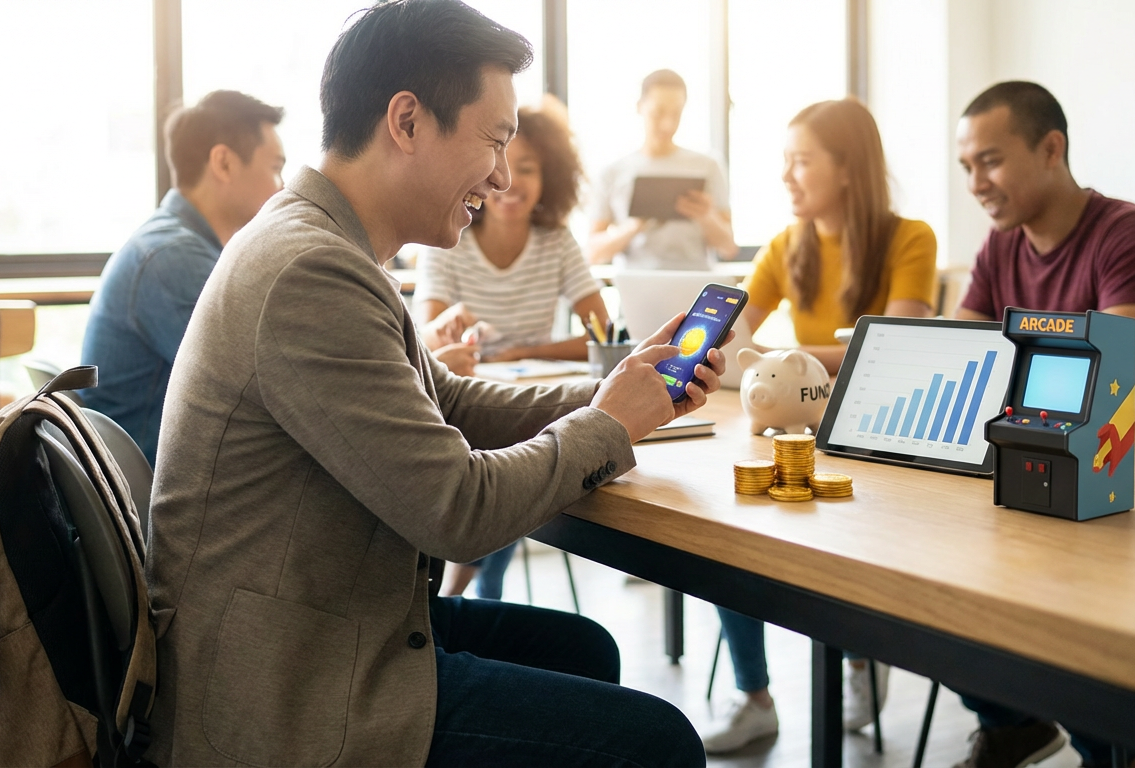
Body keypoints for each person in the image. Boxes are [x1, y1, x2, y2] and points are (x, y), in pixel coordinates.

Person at [143, 2, 726, 765]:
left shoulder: (324, 244)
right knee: (657, 742)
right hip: (282, 690)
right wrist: (610, 427)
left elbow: (446, 405)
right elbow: (457, 511)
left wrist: (611, 390)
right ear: (407, 121)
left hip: (326, 623)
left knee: (579, 649)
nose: (504, 175)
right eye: (494, 140)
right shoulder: (307, 271)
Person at [952, 81, 1135, 768]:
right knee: (927, 578)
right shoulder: (1000, 249)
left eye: (991, 161)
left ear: (1052, 148)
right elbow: (965, 360)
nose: (976, 183)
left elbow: (1107, 389)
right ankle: (1015, 723)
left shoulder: (1131, 236)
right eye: (966, 166)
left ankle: (1107, 743)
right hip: (1034, 468)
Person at [700, 98, 938, 755]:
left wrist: (787, 360)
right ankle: (754, 695)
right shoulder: (785, 245)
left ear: (850, 170)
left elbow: (904, 337)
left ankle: (860, 656)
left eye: (802, 161)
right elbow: (741, 333)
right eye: (785, 161)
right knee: (728, 524)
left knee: (846, 540)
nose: (787, 176)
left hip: (881, 433)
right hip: (798, 425)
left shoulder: (909, 237)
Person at [414, 98, 610, 600]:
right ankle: (475, 585)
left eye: (529, 168)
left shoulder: (556, 241)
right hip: (468, 407)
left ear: (552, 179)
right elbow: (424, 334)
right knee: (505, 463)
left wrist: (523, 349)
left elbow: (601, 333)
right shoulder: (446, 234)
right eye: (501, 164)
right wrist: (445, 331)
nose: (512, 180)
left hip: (529, 403)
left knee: (517, 456)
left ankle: (471, 583)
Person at [80, 90, 285, 466]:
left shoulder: (175, 245)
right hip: (152, 502)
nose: (283, 188)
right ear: (223, 163)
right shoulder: (171, 260)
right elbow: (264, 388)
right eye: (275, 168)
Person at [587, 69, 738, 269]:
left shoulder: (708, 166)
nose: (668, 124)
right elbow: (593, 253)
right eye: (658, 113)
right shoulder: (612, 172)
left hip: (694, 286)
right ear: (640, 107)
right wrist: (634, 226)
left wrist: (706, 216)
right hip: (637, 287)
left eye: (676, 113)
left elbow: (728, 248)